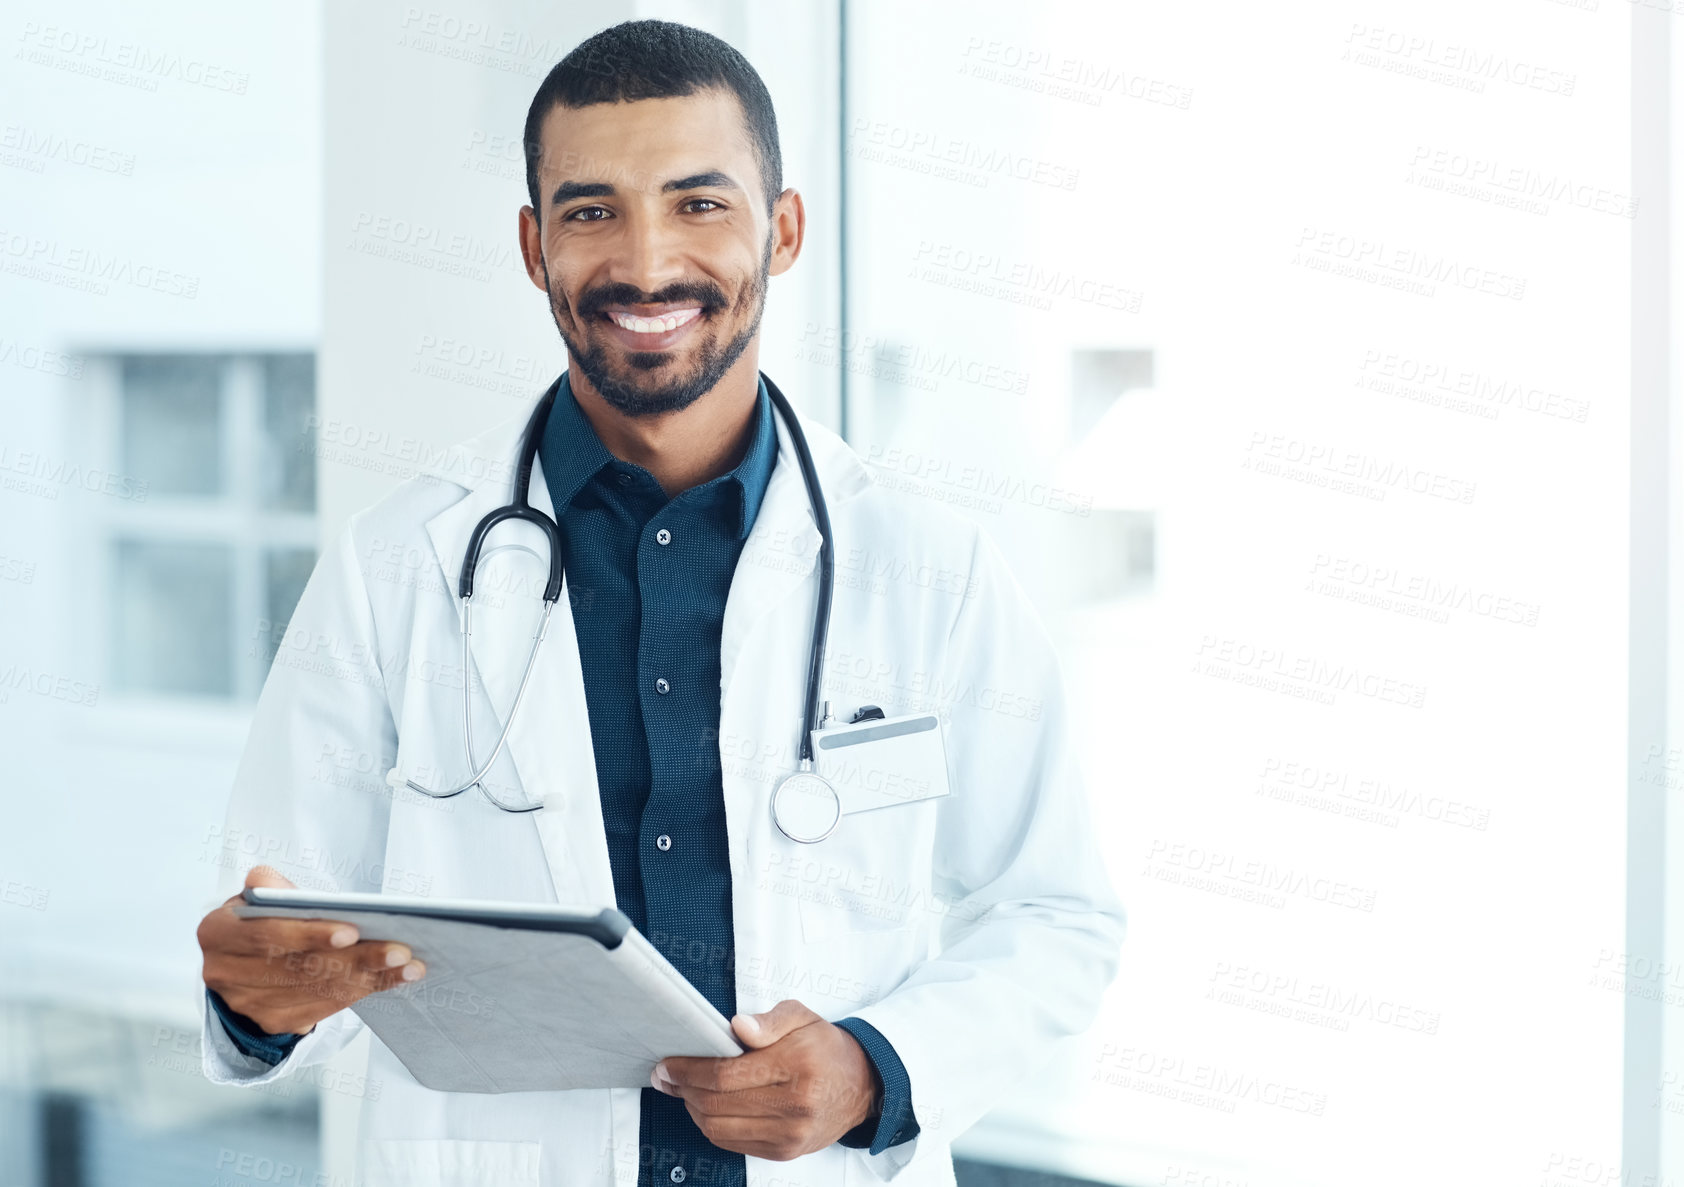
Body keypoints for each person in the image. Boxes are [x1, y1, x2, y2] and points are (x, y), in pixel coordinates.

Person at [195, 18, 1124, 1187]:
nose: (643, 263)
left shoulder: (928, 568)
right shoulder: (398, 567)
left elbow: (1057, 912)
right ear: (534, 248)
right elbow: (288, 928)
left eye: (699, 204)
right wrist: (257, 998)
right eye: (591, 211)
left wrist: (877, 1068)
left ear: (781, 230)